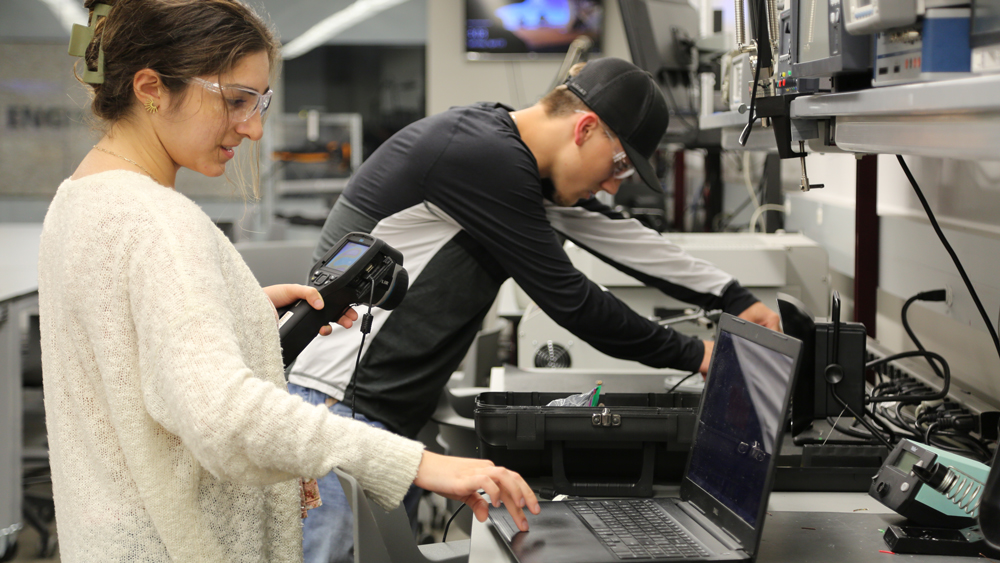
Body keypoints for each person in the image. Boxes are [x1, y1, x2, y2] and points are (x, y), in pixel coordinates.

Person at [39, 1, 538, 561]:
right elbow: (225, 417)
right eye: (235, 100)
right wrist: (418, 463)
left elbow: (127, 358)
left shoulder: (77, 200)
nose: (253, 128)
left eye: (261, 103)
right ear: (151, 87)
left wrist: (238, 312)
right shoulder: (160, 223)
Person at [287, 56, 780, 562]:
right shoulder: (481, 155)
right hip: (338, 407)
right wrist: (698, 354)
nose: (614, 184)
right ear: (586, 128)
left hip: (381, 416)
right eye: (620, 166)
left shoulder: (507, 158)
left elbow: (618, 235)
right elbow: (572, 300)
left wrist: (733, 297)